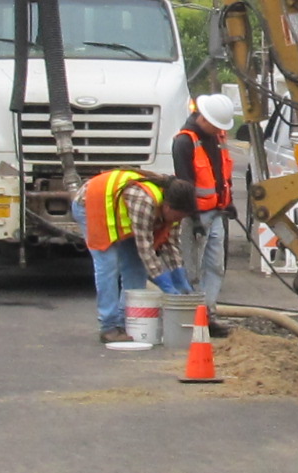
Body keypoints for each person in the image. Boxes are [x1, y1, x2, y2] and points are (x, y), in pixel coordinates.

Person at [72, 171, 197, 344]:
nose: (178, 220)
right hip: (92, 203)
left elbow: (170, 245)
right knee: (108, 265)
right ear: (167, 207)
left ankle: (127, 321)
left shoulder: (175, 212)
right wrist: (165, 284)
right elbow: (145, 248)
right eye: (178, 216)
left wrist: (181, 279)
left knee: (136, 267)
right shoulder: (145, 202)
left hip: (120, 212)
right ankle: (109, 326)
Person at [172, 93, 236, 337]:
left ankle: (208, 314)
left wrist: (227, 202)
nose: (220, 129)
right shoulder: (184, 142)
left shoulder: (217, 137)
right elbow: (185, 183)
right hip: (196, 215)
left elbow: (222, 172)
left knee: (215, 265)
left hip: (217, 212)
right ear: (204, 119)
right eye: (216, 124)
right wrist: (195, 218)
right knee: (193, 268)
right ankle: (192, 315)